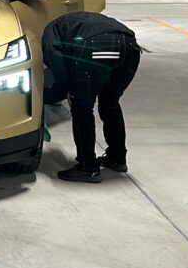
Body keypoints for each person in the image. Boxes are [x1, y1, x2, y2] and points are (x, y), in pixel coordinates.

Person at [42, 11, 141, 183]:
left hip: (98, 46)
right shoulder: (76, 22)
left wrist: (67, 87)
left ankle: (88, 167)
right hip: (130, 47)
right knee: (110, 104)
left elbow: (54, 56)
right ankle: (117, 158)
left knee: (81, 107)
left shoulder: (50, 30)